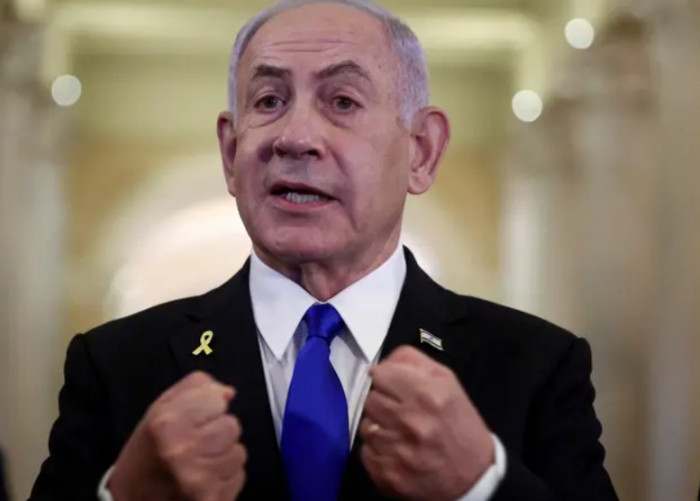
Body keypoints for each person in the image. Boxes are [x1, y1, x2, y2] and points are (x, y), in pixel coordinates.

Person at [29, 1, 618, 500]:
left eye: (342, 101)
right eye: (268, 101)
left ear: (421, 151)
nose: (295, 137)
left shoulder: (536, 365)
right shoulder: (116, 365)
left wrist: (482, 485)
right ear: (231, 153)